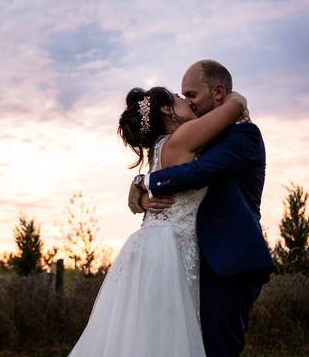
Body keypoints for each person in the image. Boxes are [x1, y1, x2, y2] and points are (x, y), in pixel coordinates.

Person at [69, 84, 248, 356]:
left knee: (145, 333)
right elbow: (235, 106)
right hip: (167, 247)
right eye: (178, 97)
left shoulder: (159, 148)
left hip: (156, 244)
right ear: (167, 109)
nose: (185, 100)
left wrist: (139, 185)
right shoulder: (185, 136)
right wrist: (230, 95)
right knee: (163, 334)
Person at [130, 60, 274, 356]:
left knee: (217, 348)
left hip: (228, 261)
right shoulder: (194, 138)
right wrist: (138, 189)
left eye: (191, 95)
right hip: (188, 261)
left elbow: (199, 173)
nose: (188, 103)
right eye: (182, 97)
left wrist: (146, 181)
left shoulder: (243, 136)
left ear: (219, 92)